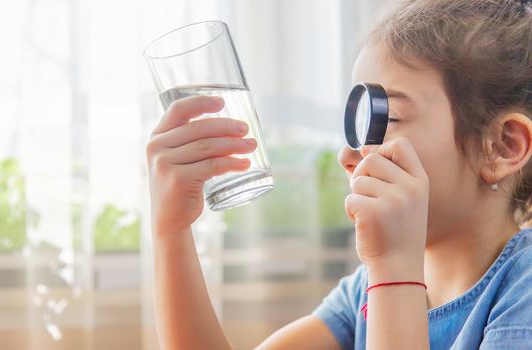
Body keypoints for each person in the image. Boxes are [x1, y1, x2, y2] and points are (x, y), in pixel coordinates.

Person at [145, 0, 532, 348]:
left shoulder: (523, 289)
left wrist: (395, 269)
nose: (348, 155)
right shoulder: (363, 291)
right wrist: (171, 232)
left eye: (387, 118)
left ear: (502, 146)